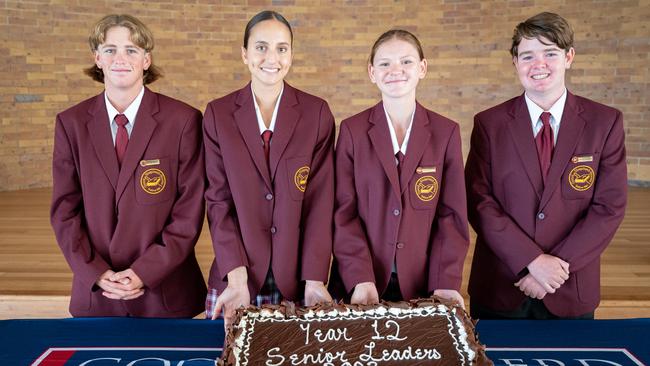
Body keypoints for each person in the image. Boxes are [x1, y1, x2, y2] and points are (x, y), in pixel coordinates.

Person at [465, 12, 627, 319]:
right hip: (501, 284)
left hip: (570, 285)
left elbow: (609, 206)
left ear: (568, 57)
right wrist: (531, 261)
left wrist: (555, 267)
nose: (538, 65)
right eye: (527, 55)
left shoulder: (604, 123)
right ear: (515, 62)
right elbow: (479, 202)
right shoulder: (489, 124)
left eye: (550, 53)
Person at [50, 14, 206, 317]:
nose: (120, 59)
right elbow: (65, 211)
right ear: (97, 58)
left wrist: (145, 272)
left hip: (166, 293)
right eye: (110, 50)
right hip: (98, 293)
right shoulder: (71, 124)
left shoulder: (183, 120)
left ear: (146, 60)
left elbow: (189, 212)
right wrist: (95, 272)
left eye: (131, 50)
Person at [203, 10, 335, 326]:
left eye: (281, 48)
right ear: (245, 53)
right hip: (238, 279)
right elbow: (218, 203)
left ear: (291, 54)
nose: (271, 57)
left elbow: (321, 203)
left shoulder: (316, 113)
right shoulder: (218, 115)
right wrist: (235, 278)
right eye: (261, 47)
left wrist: (315, 279)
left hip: (299, 283)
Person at [332, 29, 469, 307]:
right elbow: (343, 212)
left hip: (423, 288)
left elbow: (451, 216)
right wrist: (360, 277)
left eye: (406, 61)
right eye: (385, 63)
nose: (396, 70)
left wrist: (445, 280)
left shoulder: (446, 132)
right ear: (372, 72)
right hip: (360, 286)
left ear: (422, 68)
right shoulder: (352, 131)